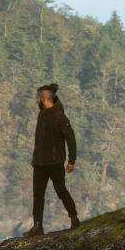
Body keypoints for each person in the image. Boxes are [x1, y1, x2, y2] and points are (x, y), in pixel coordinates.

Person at [26, 83, 78, 236]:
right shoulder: (42, 115)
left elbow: (71, 139)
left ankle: (74, 218)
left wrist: (71, 160)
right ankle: (37, 226)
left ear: (44, 98)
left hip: (55, 162)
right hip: (40, 162)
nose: (36, 100)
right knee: (38, 194)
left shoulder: (60, 116)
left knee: (61, 191)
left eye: (38, 97)